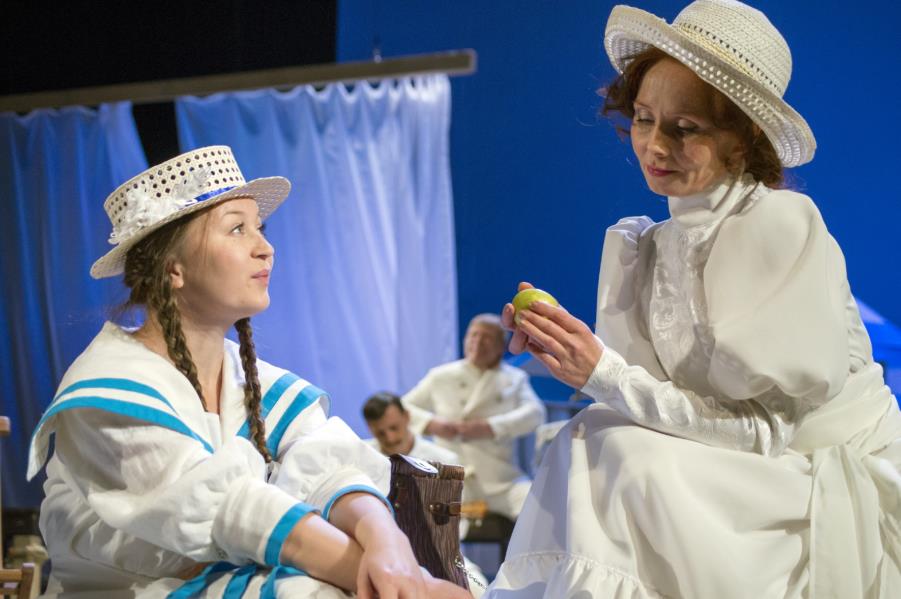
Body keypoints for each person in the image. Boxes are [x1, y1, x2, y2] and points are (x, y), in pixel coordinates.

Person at [485, 2, 901, 598]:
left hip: (813, 475)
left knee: (626, 457)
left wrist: (603, 374)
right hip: (732, 466)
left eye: (684, 128)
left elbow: (762, 431)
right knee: (587, 437)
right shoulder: (651, 246)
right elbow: (653, 404)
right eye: (643, 118)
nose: (653, 145)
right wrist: (567, 350)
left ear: (745, 138)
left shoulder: (777, 226)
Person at [27, 146, 470, 599]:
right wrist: (407, 585)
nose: (265, 248)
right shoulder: (111, 389)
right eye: (237, 229)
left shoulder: (250, 379)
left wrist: (387, 542)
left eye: (260, 228)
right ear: (173, 268)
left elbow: (329, 466)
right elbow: (232, 510)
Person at [401, 314, 546, 521]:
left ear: (500, 346)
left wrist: (491, 427)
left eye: (486, 337)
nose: (477, 342)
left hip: (500, 479)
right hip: (449, 475)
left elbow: (535, 414)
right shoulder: (441, 376)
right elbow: (401, 408)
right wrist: (432, 424)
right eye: (473, 335)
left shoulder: (514, 379)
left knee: (539, 509)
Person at [362, 392, 460, 464]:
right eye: (380, 433)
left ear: (407, 416)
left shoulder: (445, 461)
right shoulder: (361, 458)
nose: (390, 438)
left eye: (394, 428)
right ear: (369, 427)